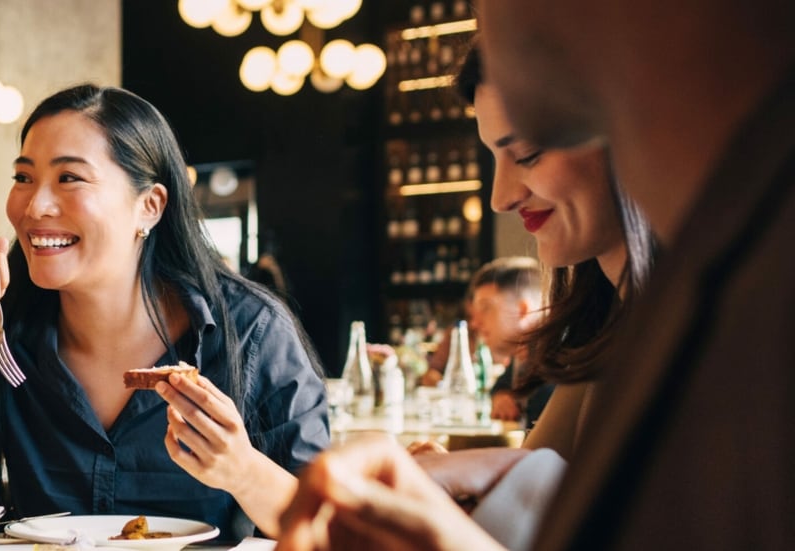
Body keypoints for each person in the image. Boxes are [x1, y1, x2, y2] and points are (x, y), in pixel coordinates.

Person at [280, 0, 795, 546]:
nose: (501, 197)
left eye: (526, 153)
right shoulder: (614, 324)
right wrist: (491, 477)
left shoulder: (752, 315)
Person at [0, 84, 329, 538]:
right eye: (23, 177)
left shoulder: (251, 331)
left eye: (69, 178)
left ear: (149, 206)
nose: (34, 205)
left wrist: (242, 471)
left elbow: (325, 529)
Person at [462, 257, 552, 427]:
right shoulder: (524, 354)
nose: (475, 323)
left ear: (522, 310)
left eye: (486, 307)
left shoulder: (558, 364)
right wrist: (501, 395)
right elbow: (502, 383)